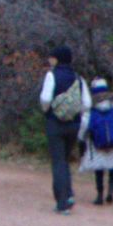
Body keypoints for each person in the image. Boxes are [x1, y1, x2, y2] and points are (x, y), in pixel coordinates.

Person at [38, 44, 90, 213]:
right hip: (74, 124)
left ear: (58, 58)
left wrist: (49, 110)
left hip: (55, 123)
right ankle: (68, 195)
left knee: (58, 161)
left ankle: (62, 202)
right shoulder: (79, 78)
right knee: (65, 160)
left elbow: (45, 99)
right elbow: (87, 103)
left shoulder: (51, 75)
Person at [78, 77, 113, 204]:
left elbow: (84, 125)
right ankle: (111, 192)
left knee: (99, 169)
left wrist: (81, 139)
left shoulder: (91, 108)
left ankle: (99, 195)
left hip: (96, 145)